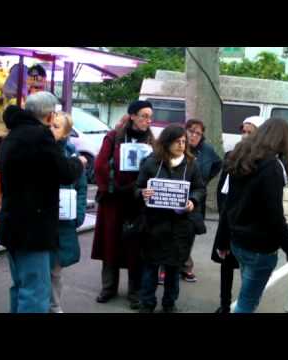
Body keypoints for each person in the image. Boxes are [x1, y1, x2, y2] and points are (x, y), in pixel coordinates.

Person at [0, 92, 86, 313]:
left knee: (20, 286)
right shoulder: (39, 137)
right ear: (49, 116)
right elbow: (64, 172)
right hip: (33, 228)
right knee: (36, 291)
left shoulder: (13, 135)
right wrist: (79, 162)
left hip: (12, 223)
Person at [215, 117, 288, 313]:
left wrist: (223, 240)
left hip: (238, 241)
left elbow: (229, 204)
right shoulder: (272, 167)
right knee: (247, 303)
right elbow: (275, 214)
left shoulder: (240, 157)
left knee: (247, 295)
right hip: (260, 247)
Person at [91, 100, 155, 309]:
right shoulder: (113, 137)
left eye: (149, 116)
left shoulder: (151, 139)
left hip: (138, 201)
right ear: (133, 116)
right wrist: (114, 187)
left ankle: (135, 292)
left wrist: (141, 188)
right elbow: (100, 164)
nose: (148, 120)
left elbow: (157, 165)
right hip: (114, 199)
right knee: (111, 243)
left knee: (136, 247)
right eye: (144, 115)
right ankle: (108, 287)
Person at [136, 124, 205, 313]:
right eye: (177, 141)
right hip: (154, 225)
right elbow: (138, 187)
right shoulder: (151, 163)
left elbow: (200, 188)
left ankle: (169, 304)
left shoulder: (192, 164)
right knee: (151, 268)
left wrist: (193, 200)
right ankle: (147, 303)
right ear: (166, 143)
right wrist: (142, 193)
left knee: (173, 270)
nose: (182, 145)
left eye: (184, 142)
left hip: (180, 228)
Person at [212, 115, 265, 313]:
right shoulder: (230, 156)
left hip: (250, 225)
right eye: (243, 131)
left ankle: (246, 304)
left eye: (250, 132)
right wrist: (225, 214)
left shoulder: (266, 160)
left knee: (248, 269)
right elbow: (221, 190)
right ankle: (224, 303)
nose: (245, 135)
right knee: (226, 264)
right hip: (230, 219)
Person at [48, 111, 88, 313]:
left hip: (63, 223)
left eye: (56, 126)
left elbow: (82, 188)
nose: (50, 129)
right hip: (41, 221)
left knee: (55, 271)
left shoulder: (72, 155)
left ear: (65, 133)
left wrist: (79, 214)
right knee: (38, 270)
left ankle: (54, 306)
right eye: (50, 125)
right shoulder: (40, 151)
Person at [174, 118, 222, 283]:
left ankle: (185, 266)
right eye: (191, 131)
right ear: (185, 131)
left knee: (189, 233)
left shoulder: (207, 150)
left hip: (196, 197)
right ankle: (165, 267)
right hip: (175, 195)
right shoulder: (176, 145)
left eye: (198, 133)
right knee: (170, 232)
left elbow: (218, 164)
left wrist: (205, 180)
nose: (194, 135)